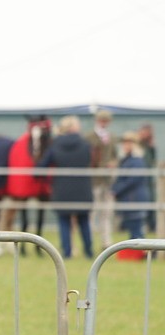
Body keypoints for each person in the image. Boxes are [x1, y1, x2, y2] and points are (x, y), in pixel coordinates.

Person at [37, 115, 94, 259]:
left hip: (61, 188)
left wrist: (47, 181)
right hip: (82, 187)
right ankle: (88, 252)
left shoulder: (55, 144)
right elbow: (89, 160)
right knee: (83, 221)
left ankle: (66, 253)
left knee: (64, 221)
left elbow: (42, 166)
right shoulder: (85, 144)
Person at [85, 110, 118, 248]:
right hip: (94, 181)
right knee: (92, 213)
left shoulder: (111, 137)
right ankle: (90, 240)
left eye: (106, 121)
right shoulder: (89, 137)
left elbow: (115, 156)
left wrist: (113, 163)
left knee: (106, 213)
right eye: (102, 120)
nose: (104, 123)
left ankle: (106, 242)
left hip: (107, 181)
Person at [112, 131, 151, 241]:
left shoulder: (137, 160)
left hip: (135, 199)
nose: (125, 145)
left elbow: (132, 180)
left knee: (136, 231)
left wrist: (116, 190)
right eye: (124, 143)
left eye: (128, 143)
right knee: (133, 230)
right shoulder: (127, 160)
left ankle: (147, 253)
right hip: (129, 198)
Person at [138, 122, 157, 233]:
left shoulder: (150, 145)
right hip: (141, 177)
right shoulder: (139, 144)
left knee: (151, 200)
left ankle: (151, 224)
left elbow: (153, 160)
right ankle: (144, 224)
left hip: (149, 178)